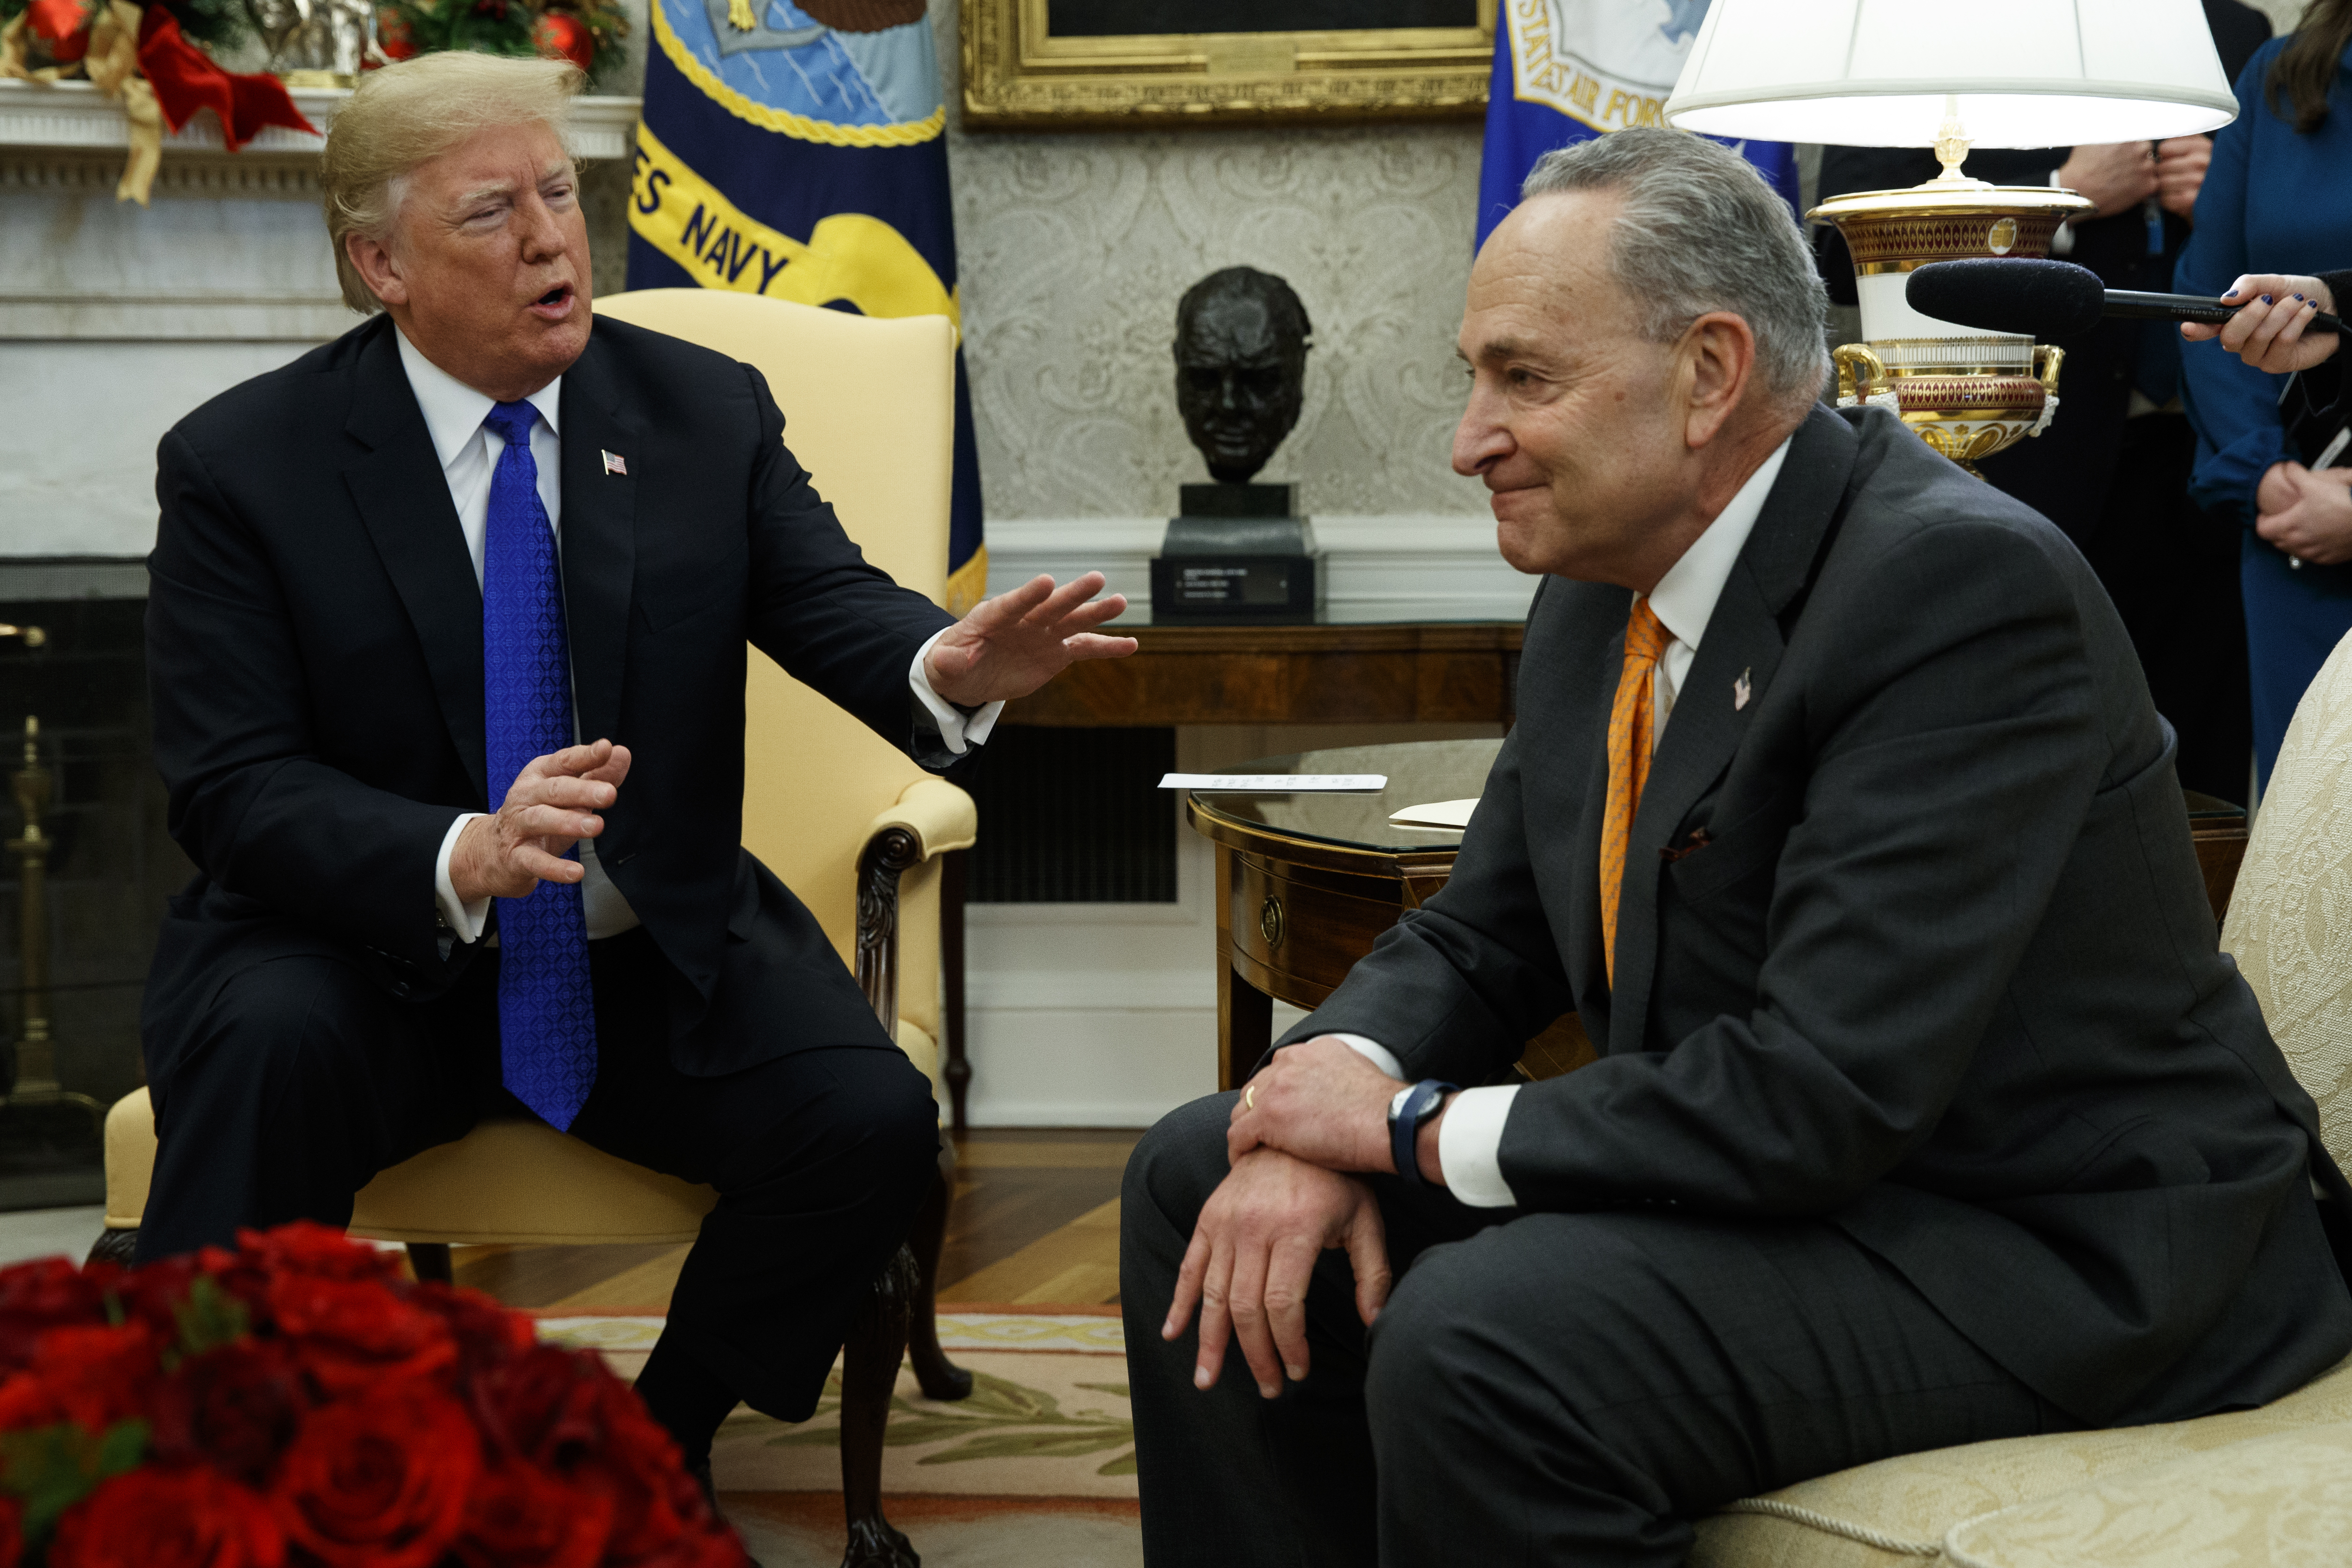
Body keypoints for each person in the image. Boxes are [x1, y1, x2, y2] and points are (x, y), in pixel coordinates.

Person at [1120, 128, 2352, 1567]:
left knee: (1487, 1345)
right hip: (1804, 1187)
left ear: (1708, 372)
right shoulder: (1603, 581)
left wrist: (1397, 1133)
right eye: (1477, 377)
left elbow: (1817, 1089)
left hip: (2053, 1241)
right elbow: (1484, 928)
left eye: (1523, 377)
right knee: (1197, 1167)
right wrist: (1315, 1093)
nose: (1467, 438)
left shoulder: (1956, 589)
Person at [140, 50, 1135, 1487]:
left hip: (637, 945)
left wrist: (943, 667)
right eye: (492, 213)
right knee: (261, 1053)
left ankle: (644, 1441)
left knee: (868, 1126)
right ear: (379, 265)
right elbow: (231, 786)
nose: (553, 238)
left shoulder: (697, 413)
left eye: (560, 192)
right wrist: (454, 851)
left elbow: (831, 604)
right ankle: (197, 1470)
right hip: (358, 943)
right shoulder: (246, 464)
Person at [1813, 0, 2271, 803]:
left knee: (2201, 785)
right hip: (2014, 466)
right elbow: (1837, 239)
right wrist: (2058, 195)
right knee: (2014, 763)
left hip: (2210, 471)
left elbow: (2300, 247)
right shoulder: (1926, 26)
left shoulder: (2231, 30)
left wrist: (2228, 207)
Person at [2178, 0, 2352, 786]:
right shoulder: (2276, 76)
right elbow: (2207, 300)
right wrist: (2262, 477)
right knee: (2308, 847)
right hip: (2293, 531)